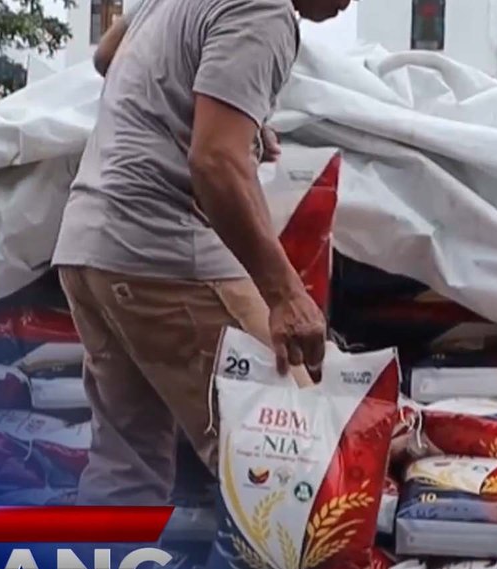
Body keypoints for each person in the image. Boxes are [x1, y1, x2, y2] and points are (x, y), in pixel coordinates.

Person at [54, 0, 353, 506]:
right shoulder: (265, 12)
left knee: (127, 472)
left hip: (91, 246)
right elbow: (216, 162)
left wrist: (227, 112)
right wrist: (286, 296)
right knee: (293, 462)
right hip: (161, 251)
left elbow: (108, 54)